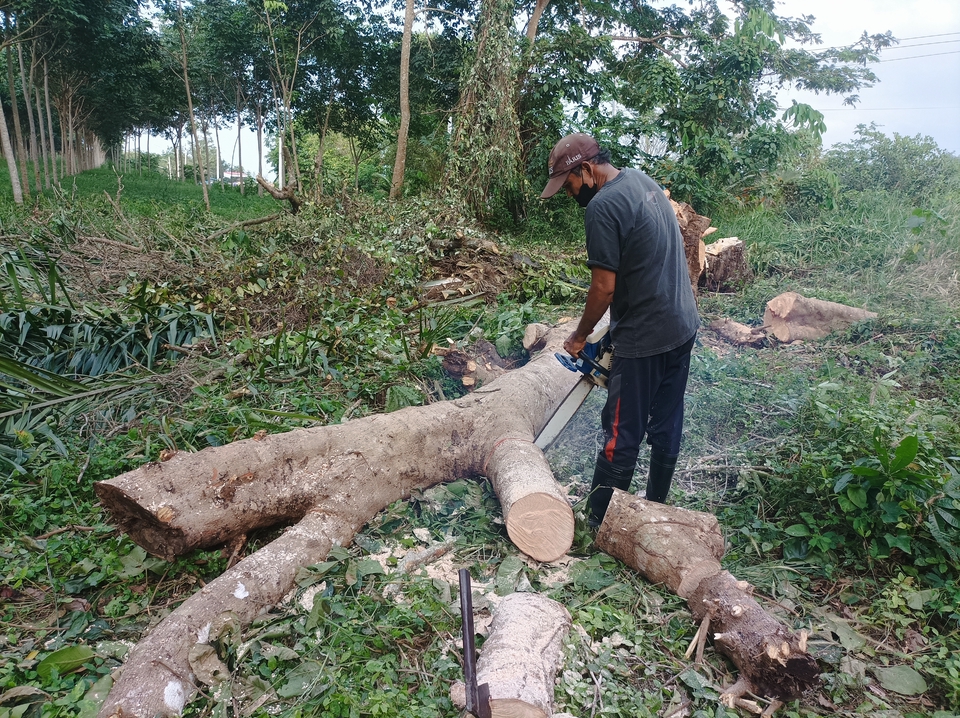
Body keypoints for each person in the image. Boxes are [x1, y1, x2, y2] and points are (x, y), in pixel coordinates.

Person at [540, 133, 700, 526]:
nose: (569, 194)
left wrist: (580, 336)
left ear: (585, 170)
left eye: (569, 184)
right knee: (665, 421)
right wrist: (614, 328)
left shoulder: (602, 206)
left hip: (647, 334)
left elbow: (604, 287)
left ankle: (599, 523)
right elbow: (645, 261)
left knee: (620, 432)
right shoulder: (641, 181)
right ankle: (656, 505)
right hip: (681, 321)